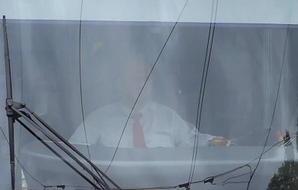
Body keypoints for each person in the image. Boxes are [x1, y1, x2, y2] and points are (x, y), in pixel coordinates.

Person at [71, 56, 229, 148]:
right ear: (119, 83)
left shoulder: (167, 116)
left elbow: (191, 140)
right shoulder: (98, 120)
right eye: (134, 77)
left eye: (146, 78)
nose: (141, 83)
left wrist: (211, 142)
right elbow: (74, 153)